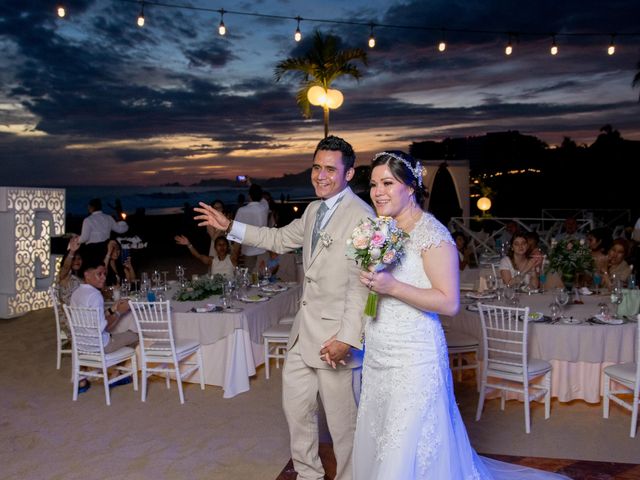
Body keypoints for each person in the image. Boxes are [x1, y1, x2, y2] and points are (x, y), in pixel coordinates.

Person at [352, 150, 569, 480]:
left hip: (415, 354)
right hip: (380, 348)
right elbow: (380, 287)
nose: (378, 191)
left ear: (411, 187)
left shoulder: (433, 235)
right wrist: (372, 281)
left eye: (388, 183)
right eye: (373, 184)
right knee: (380, 430)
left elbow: (449, 302)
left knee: (409, 437)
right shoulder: (383, 230)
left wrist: (391, 286)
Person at [195, 135, 373, 480]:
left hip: (336, 341)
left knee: (343, 427)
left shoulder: (362, 218)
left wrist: (348, 338)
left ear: (349, 174)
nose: (320, 176)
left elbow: (360, 286)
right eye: (316, 167)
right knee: (297, 413)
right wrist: (230, 226)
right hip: (303, 335)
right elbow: (277, 239)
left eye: (330, 169)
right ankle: (308, 475)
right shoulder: (313, 210)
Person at [70, 257, 138, 392]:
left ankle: (85, 379)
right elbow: (104, 327)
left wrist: (112, 309)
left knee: (120, 334)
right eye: (99, 274)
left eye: (104, 274)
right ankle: (115, 375)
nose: (103, 278)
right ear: (87, 274)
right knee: (135, 334)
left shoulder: (76, 293)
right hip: (100, 344)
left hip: (81, 344)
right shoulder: (95, 295)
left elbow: (91, 319)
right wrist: (119, 313)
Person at [231, 184, 269, 270]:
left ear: (249, 196)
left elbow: (237, 234)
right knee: (264, 277)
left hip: (248, 251)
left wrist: (234, 254)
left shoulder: (242, 210)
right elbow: (262, 199)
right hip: (263, 249)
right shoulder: (264, 207)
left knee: (251, 278)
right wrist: (250, 183)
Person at [78, 198, 129, 262]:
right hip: (106, 249)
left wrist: (75, 240)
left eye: (88, 207)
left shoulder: (88, 220)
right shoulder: (108, 218)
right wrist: (123, 222)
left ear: (91, 207)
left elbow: (84, 238)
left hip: (92, 250)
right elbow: (120, 229)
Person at [57, 235, 85, 305]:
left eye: (79, 259)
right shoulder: (65, 275)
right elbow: (66, 267)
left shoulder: (83, 275)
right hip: (69, 313)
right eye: (73, 259)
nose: (76, 261)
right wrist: (72, 252)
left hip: (81, 309)